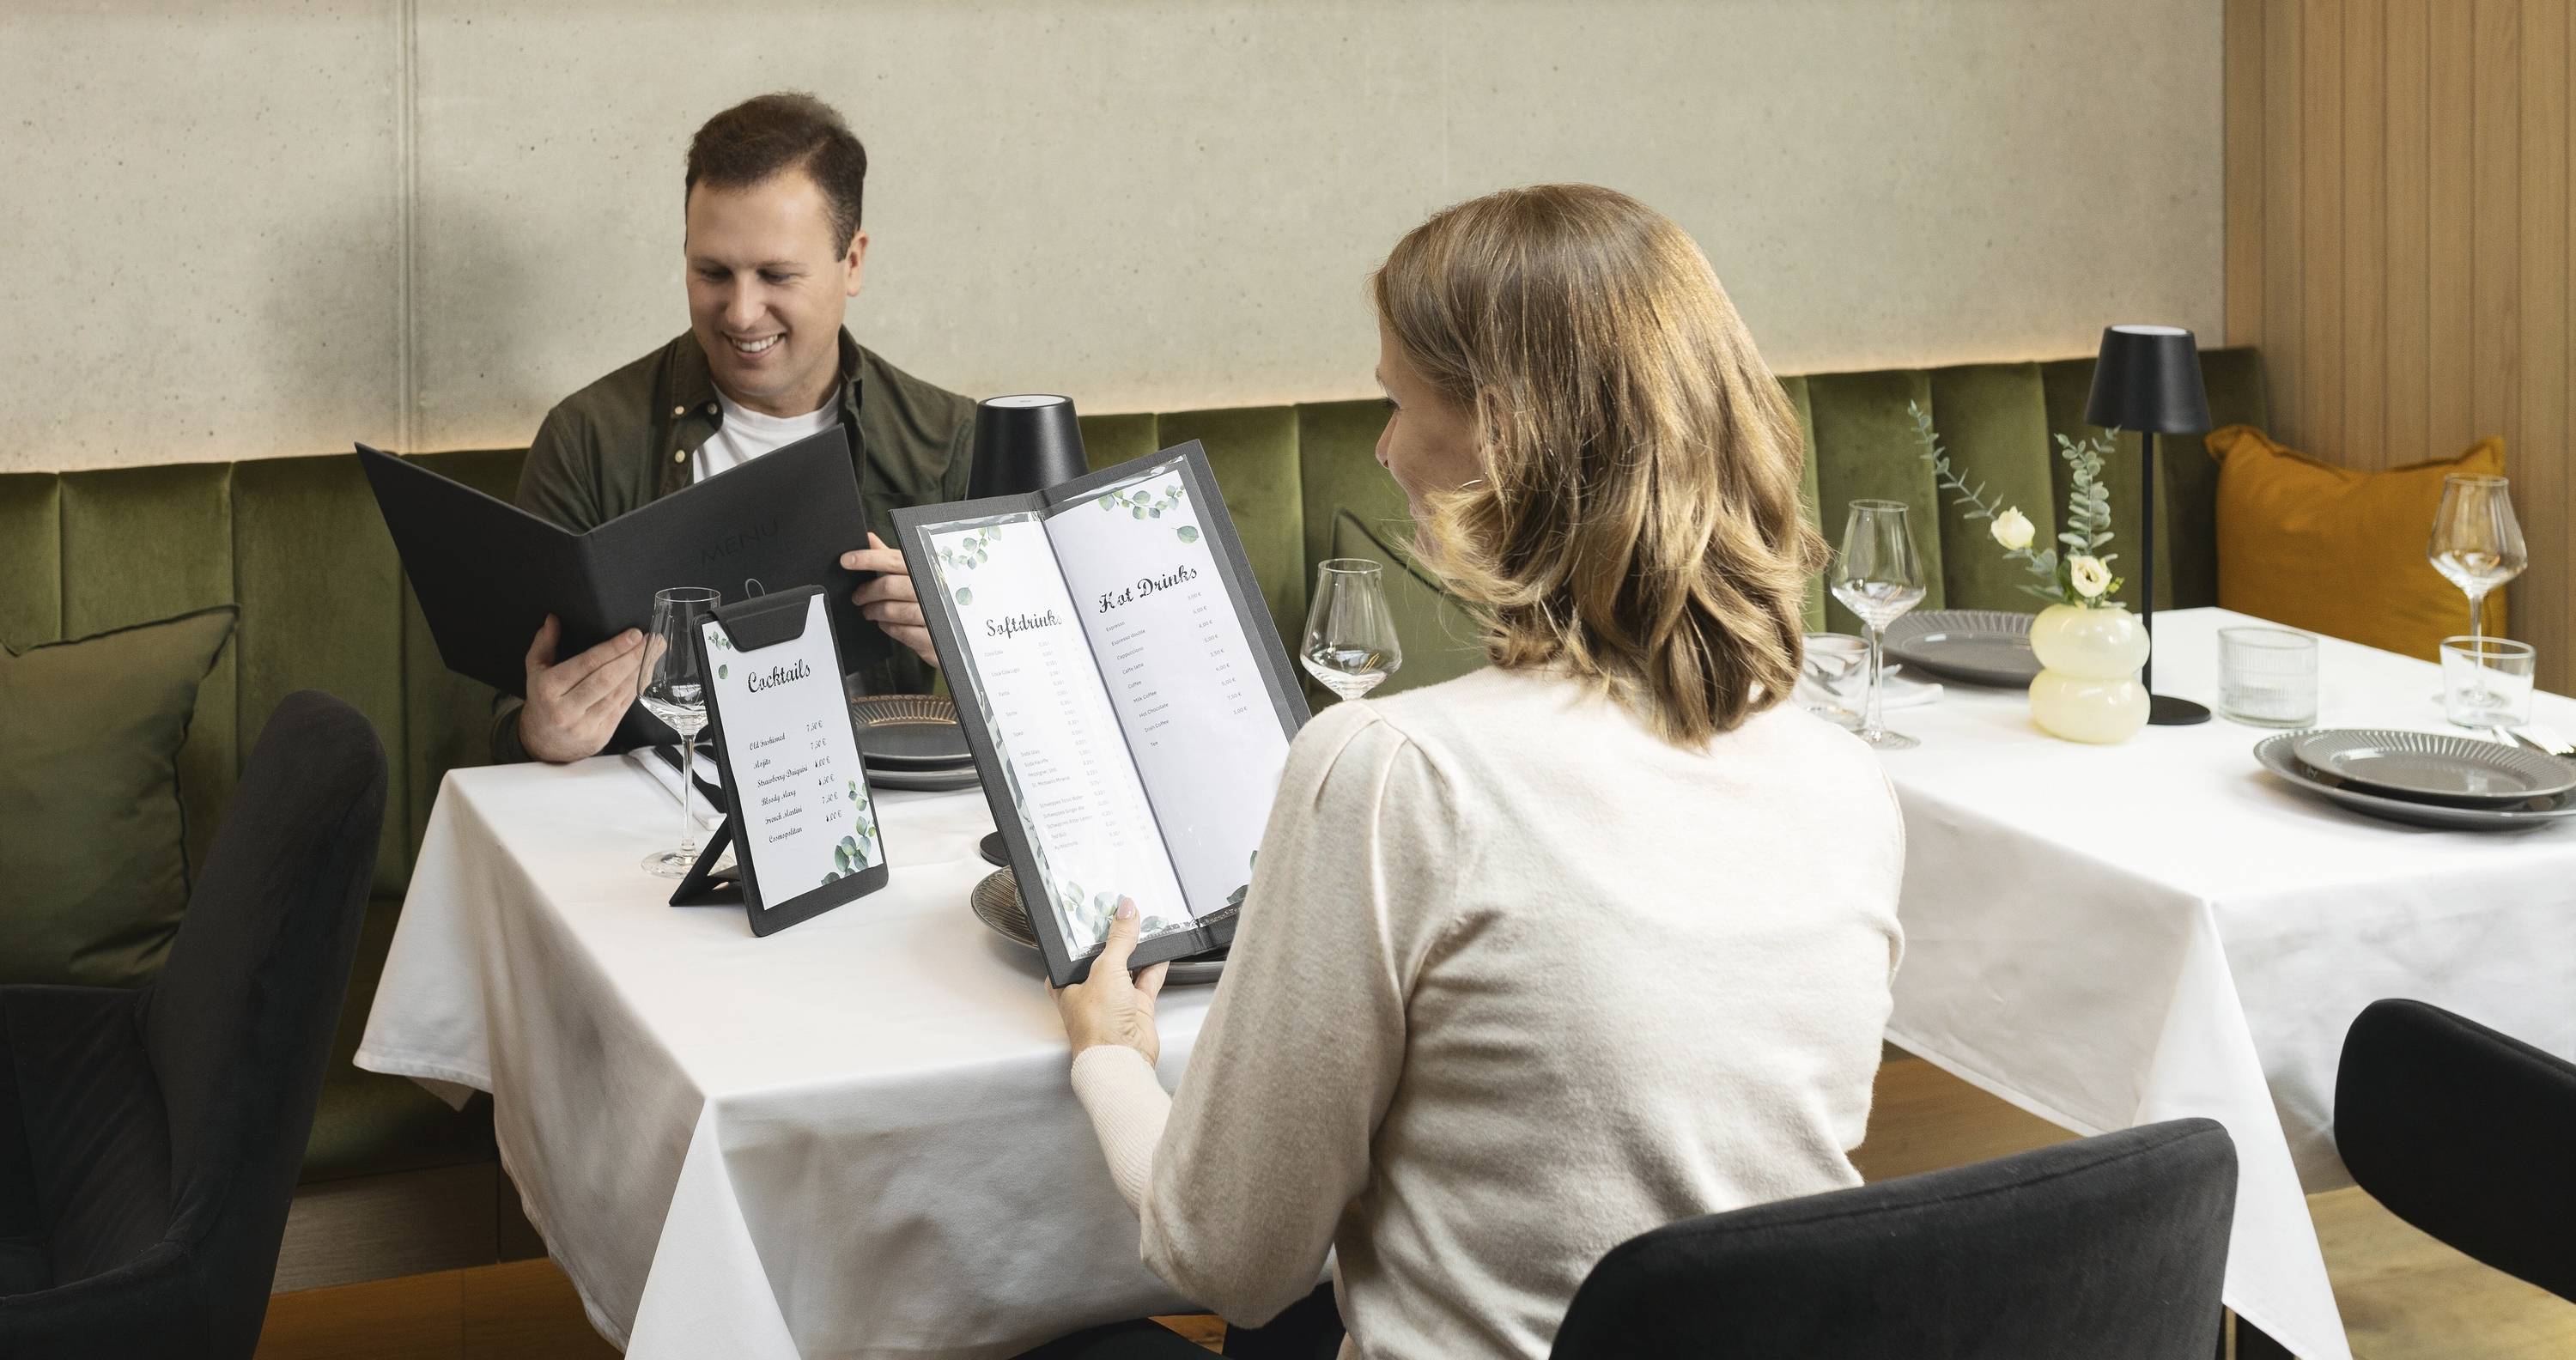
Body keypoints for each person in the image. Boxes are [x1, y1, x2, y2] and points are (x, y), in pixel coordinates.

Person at [1036, 185, 1906, 1359]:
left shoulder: (1396, 770)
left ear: (1504, 435)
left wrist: (1112, 1063)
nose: (1387, 448)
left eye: (1398, 400)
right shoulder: (1850, 782)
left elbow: (1226, 1259)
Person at [493, 91, 970, 764]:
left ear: (853, 262)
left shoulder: (949, 441)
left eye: (777, 275)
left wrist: (967, 638)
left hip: (892, 814)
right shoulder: (588, 437)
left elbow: (1056, 698)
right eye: (712, 272)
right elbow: (506, 715)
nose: (742, 313)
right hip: (650, 826)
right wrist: (539, 732)